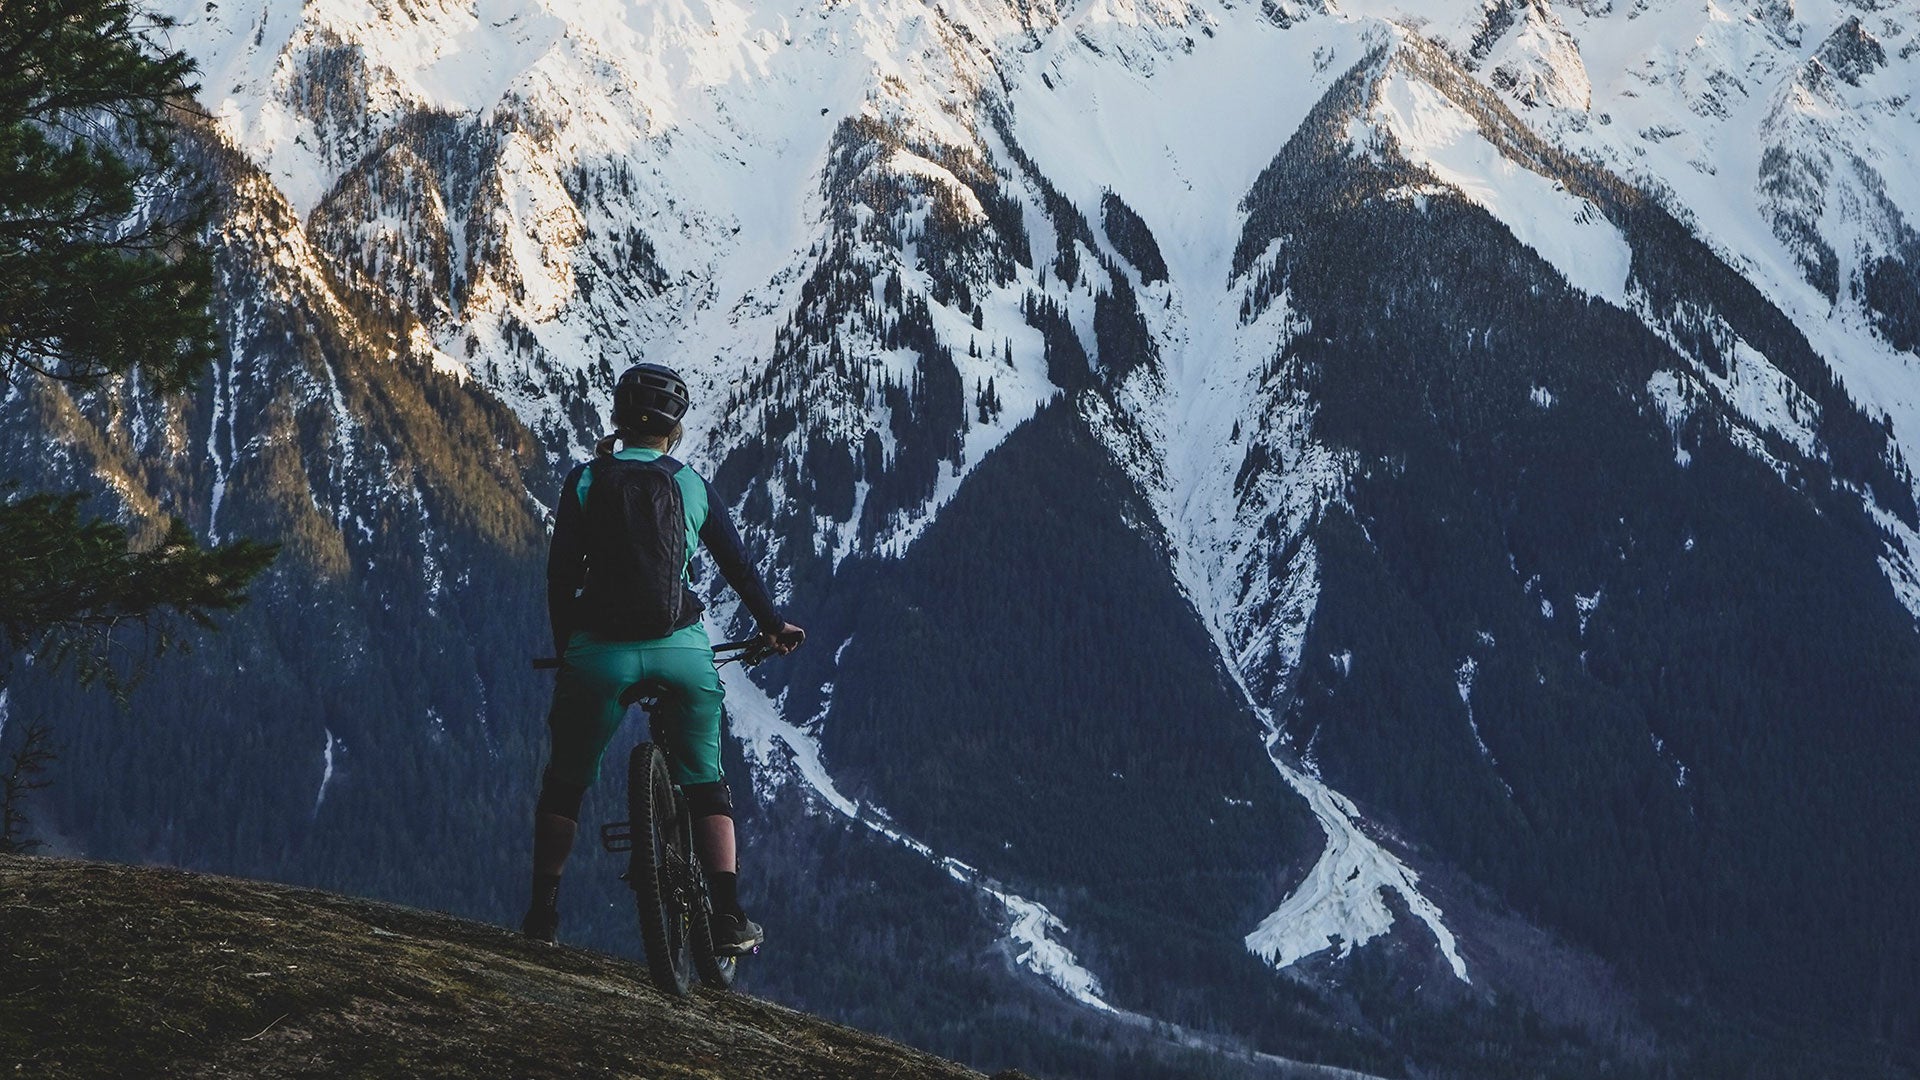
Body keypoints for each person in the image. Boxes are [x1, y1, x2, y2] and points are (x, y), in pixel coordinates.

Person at [523, 362, 804, 952]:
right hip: (681, 650)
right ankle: (727, 916)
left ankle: (542, 915)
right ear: (674, 429)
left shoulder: (582, 482)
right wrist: (773, 627)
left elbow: (559, 580)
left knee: (565, 783)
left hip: (598, 655)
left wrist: (568, 650)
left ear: (619, 419)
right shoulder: (690, 483)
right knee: (707, 782)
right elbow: (738, 567)